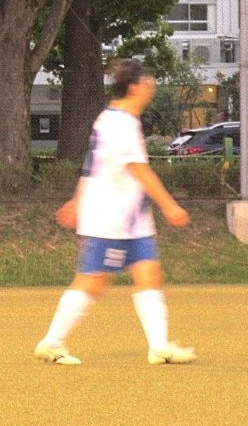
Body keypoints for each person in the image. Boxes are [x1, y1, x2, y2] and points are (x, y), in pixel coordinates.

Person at [34, 58, 196, 366]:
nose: (152, 88)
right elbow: (139, 169)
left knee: (149, 275)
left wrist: (76, 200)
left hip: (133, 218)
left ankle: (159, 347)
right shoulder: (121, 123)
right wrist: (169, 204)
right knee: (93, 281)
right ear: (134, 87)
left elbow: (91, 165)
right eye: (148, 82)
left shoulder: (112, 119)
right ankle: (52, 342)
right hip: (112, 218)